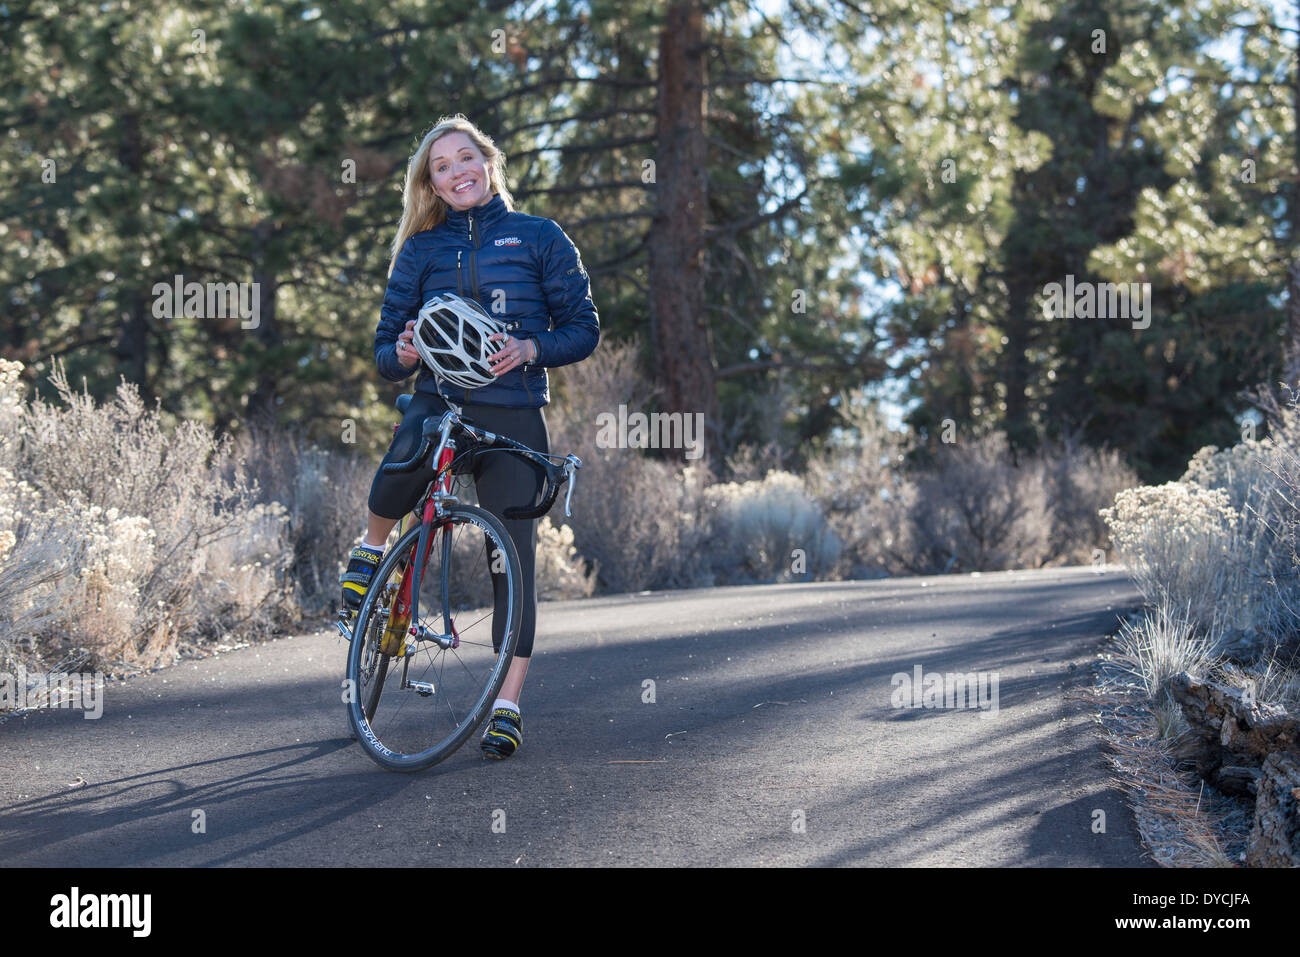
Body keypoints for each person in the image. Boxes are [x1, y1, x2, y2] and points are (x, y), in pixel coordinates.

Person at [341, 114, 599, 759]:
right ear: (430, 184)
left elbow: (583, 328)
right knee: (406, 453)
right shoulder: (422, 248)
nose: (457, 173)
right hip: (442, 398)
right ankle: (373, 551)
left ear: (489, 161)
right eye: (441, 167)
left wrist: (532, 346)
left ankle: (507, 703)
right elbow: (384, 349)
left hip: (511, 408)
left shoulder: (540, 237)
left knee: (510, 561)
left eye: (465, 159)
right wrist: (401, 353)